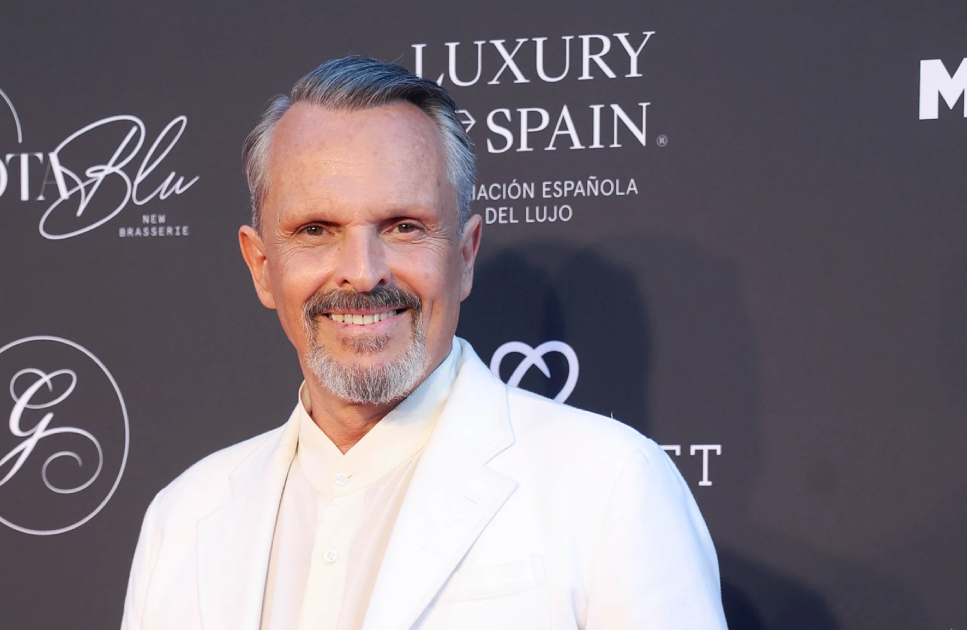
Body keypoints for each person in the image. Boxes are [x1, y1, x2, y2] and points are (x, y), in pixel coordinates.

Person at [120, 56, 727, 630]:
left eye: (404, 227)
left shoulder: (611, 485)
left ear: (464, 256)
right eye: (316, 230)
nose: (363, 272)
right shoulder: (184, 518)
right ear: (261, 267)